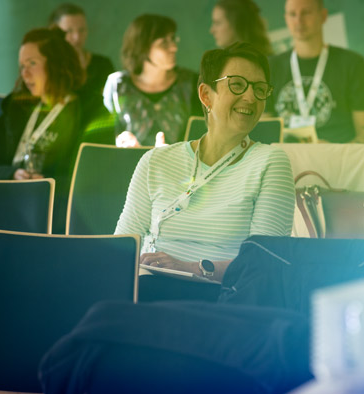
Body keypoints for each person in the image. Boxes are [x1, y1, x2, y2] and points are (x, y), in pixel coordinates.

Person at [115, 42, 295, 300]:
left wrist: (193, 268)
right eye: (237, 84)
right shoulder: (156, 161)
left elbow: (264, 264)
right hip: (144, 290)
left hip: (220, 297)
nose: (251, 97)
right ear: (206, 95)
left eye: (259, 89)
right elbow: (122, 246)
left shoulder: (269, 162)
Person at [0, 28, 110, 234]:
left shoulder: (91, 112)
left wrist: (48, 184)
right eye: (22, 66)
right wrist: (12, 174)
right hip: (10, 206)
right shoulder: (16, 107)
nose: (24, 73)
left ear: (56, 65)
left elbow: (93, 179)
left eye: (33, 64)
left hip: (59, 215)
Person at [267, 0, 364, 143]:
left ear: (323, 16)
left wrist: (330, 153)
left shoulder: (352, 64)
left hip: (337, 160)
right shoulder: (271, 67)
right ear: (286, 19)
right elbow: (264, 132)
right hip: (284, 158)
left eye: (306, 12)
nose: (298, 20)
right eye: (292, 14)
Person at [103, 14, 202, 148]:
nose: (174, 47)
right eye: (164, 43)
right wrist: (124, 145)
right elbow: (105, 136)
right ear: (142, 47)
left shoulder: (190, 83)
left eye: (173, 39)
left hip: (179, 166)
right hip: (130, 167)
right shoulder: (118, 85)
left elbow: (201, 135)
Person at [48, 3, 114, 102]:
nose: (77, 37)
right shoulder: (49, 67)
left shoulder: (102, 64)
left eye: (81, 30)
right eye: (69, 31)